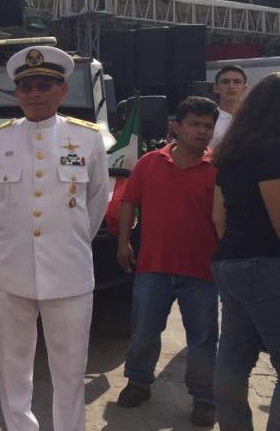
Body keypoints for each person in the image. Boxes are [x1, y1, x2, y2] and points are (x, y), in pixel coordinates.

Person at [0, 45, 109, 431]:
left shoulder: (87, 139)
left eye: (44, 85)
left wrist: (66, 241)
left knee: (70, 371)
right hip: (11, 274)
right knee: (12, 367)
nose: (35, 93)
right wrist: (15, 241)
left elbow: (97, 200)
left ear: (62, 91)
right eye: (27, 86)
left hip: (68, 275)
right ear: (17, 93)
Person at [116, 96, 219, 426]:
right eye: (195, 124)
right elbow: (129, 203)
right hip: (153, 266)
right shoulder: (148, 163)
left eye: (208, 126)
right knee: (144, 331)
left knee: (202, 338)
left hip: (202, 270)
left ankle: (203, 398)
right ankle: (138, 382)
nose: (202, 131)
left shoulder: (218, 167)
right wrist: (123, 243)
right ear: (177, 127)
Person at [211, 72, 280, 431]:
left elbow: (217, 214)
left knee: (234, 360)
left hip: (231, 260)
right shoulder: (273, 150)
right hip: (266, 262)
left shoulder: (232, 152)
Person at [211, 65, 248, 147]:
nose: (231, 86)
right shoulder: (208, 119)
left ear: (245, 88)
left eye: (237, 82)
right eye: (225, 82)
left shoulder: (255, 118)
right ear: (216, 88)